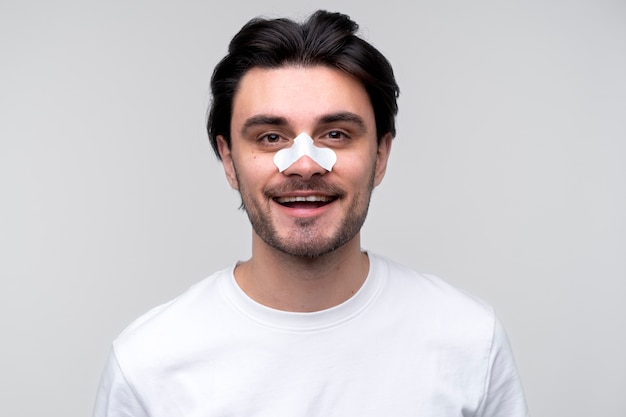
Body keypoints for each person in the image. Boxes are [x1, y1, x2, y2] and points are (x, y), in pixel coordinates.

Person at [94, 10, 528, 417]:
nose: (304, 164)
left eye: (336, 134)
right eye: (270, 137)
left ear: (380, 155)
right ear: (228, 159)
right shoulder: (147, 366)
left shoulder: (469, 342)